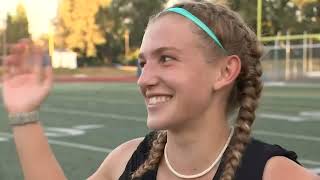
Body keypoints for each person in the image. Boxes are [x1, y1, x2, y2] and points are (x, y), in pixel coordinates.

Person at [2, 1, 319, 180]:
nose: (144, 78)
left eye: (166, 59)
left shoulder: (274, 174)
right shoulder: (126, 160)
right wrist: (24, 114)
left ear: (225, 71)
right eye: (143, 62)